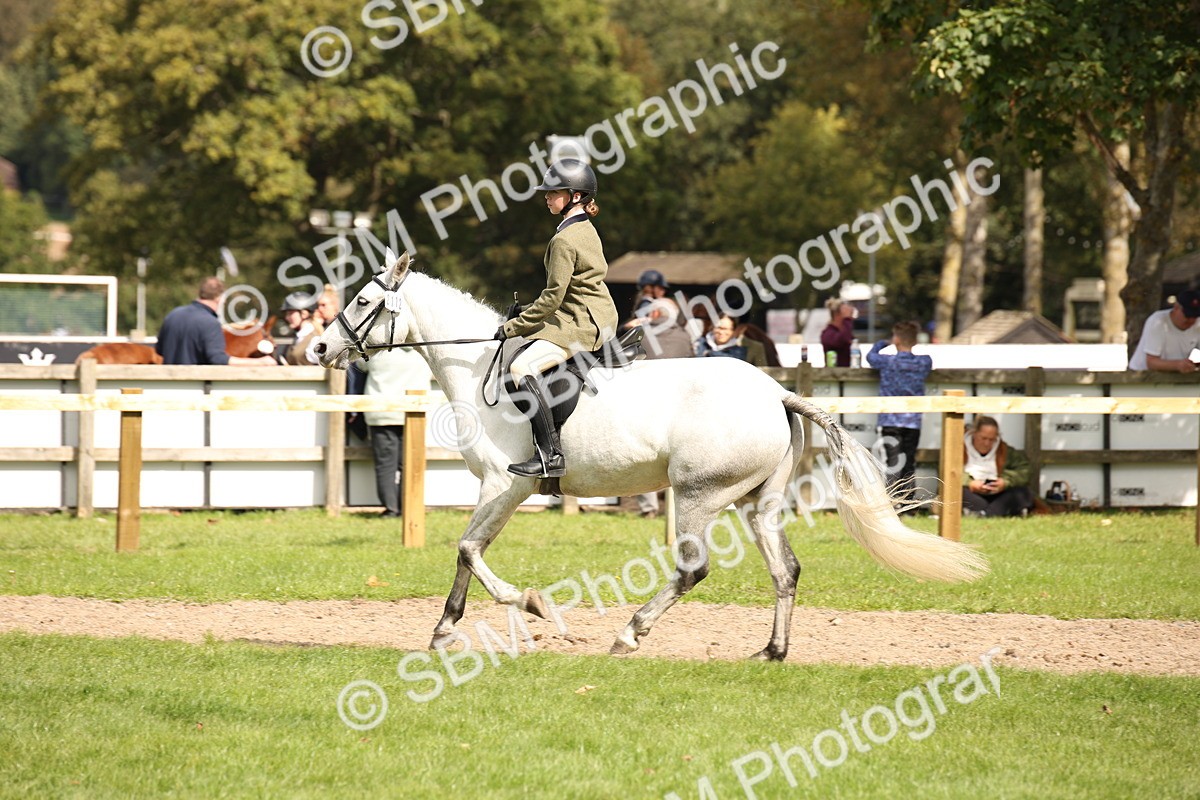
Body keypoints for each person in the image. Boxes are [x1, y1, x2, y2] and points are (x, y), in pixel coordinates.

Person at [495, 158, 619, 478]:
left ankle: (550, 454)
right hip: (595, 312)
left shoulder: (564, 239)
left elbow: (552, 299)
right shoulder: (584, 228)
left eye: (554, 192)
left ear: (576, 196)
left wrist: (512, 327)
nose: (547, 197)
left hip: (582, 322)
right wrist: (528, 316)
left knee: (520, 367)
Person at [629, 298, 693, 518]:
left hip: (644, 403)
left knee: (641, 454)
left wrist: (628, 327)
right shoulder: (685, 336)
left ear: (655, 314)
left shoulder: (639, 332)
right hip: (679, 406)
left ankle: (648, 508)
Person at [357, 348, 433, 517]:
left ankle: (392, 508)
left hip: (382, 412)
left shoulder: (377, 352)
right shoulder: (421, 352)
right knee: (410, 463)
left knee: (385, 464)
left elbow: (360, 364)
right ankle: (409, 506)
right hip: (415, 412)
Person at [866, 321, 933, 501]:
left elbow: (870, 357)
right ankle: (909, 503)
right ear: (916, 340)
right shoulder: (924, 361)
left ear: (896, 339)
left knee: (893, 464)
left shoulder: (887, 362)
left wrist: (883, 343)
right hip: (913, 421)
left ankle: (892, 502)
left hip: (890, 421)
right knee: (909, 462)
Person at [156, 277, 276, 366]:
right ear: (219, 298)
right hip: (194, 388)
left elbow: (159, 350)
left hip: (168, 388)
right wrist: (260, 362)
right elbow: (218, 359)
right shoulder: (210, 323)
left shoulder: (172, 315)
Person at [961, 415, 1034, 518]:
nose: (987, 443)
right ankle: (992, 512)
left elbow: (1025, 470)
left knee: (1023, 493)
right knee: (957, 492)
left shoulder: (1004, 450)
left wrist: (1005, 482)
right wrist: (970, 483)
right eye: (983, 438)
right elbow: (949, 472)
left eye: (991, 440)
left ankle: (984, 513)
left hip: (996, 494)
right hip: (972, 492)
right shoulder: (959, 448)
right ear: (974, 433)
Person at [1127, 290, 1200, 373]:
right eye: (1188, 315)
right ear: (1176, 308)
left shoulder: (1198, 324)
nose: (1191, 320)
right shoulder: (1157, 321)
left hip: (1172, 377)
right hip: (1141, 376)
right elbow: (1151, 362)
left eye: (1195, 316)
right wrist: (1178, 365)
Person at [278, 291, 323, 365]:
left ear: (304, 314)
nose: (287, 318)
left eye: (290, 313)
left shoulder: (315, 340)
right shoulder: (299, 337)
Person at [820, 298, 857, 366]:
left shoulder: (845, 332)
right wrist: (847, 319)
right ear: (837, 314)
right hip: (834, 374)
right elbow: (842, 340)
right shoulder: (828, 334)